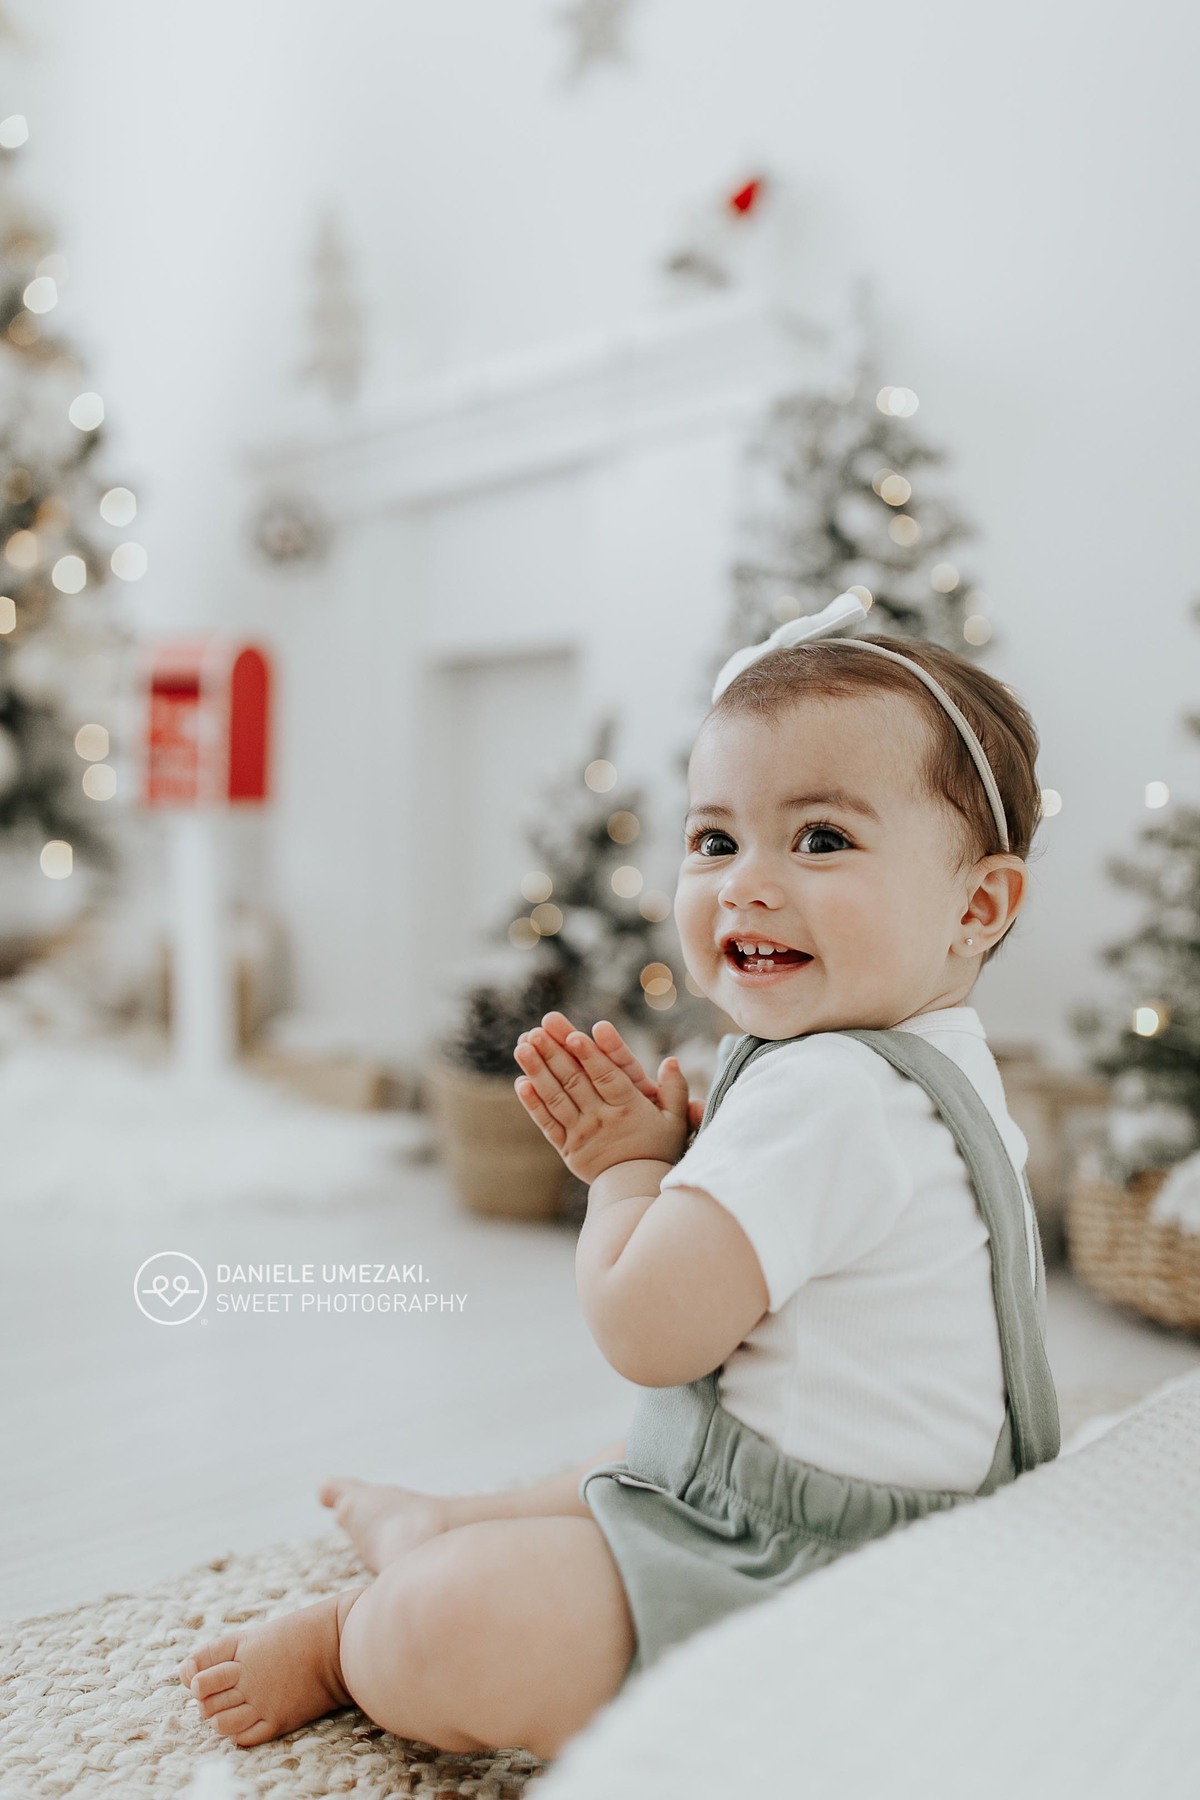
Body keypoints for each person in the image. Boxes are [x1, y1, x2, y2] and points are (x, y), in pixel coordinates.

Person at [178, 593, 1059, 1760]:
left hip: (807, 1577)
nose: (745, 882)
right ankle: (443, 1519)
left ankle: (354, 1633)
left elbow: (650, 1334)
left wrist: (624, 1173)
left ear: (977, 904)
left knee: (463, 1620)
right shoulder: (939, 1063)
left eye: (823, 838)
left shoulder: (828, 1093)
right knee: (634, 1462)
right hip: (900, 1516)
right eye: (714, 839)